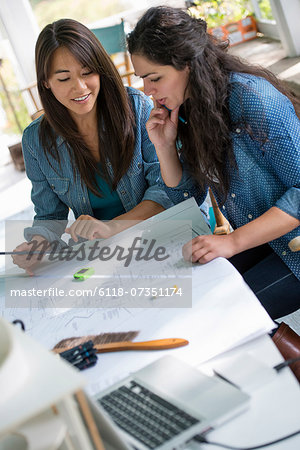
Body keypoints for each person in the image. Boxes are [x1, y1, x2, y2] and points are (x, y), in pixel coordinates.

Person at [127, 6, 300, 320]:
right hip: (264, 239)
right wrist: (164, 147)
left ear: (188, 65)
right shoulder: (191, 108)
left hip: (295, 250)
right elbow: (187, 196)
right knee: (186, 293)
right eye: (143, 79)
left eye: (155, 78)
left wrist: (232, 241)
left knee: (221, 316)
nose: (147, 91)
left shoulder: (253, 99)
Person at [13, 18, 174, 275]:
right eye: (64, 78)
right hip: (102, 257)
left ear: (100, 69)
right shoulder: (35, 141)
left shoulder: (137, 107)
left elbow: (166, 189)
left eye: (87, 72)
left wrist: (112, 227)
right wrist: (37, 245)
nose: (80, 87)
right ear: (45, 82)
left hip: (158, 238)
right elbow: (49, 216)